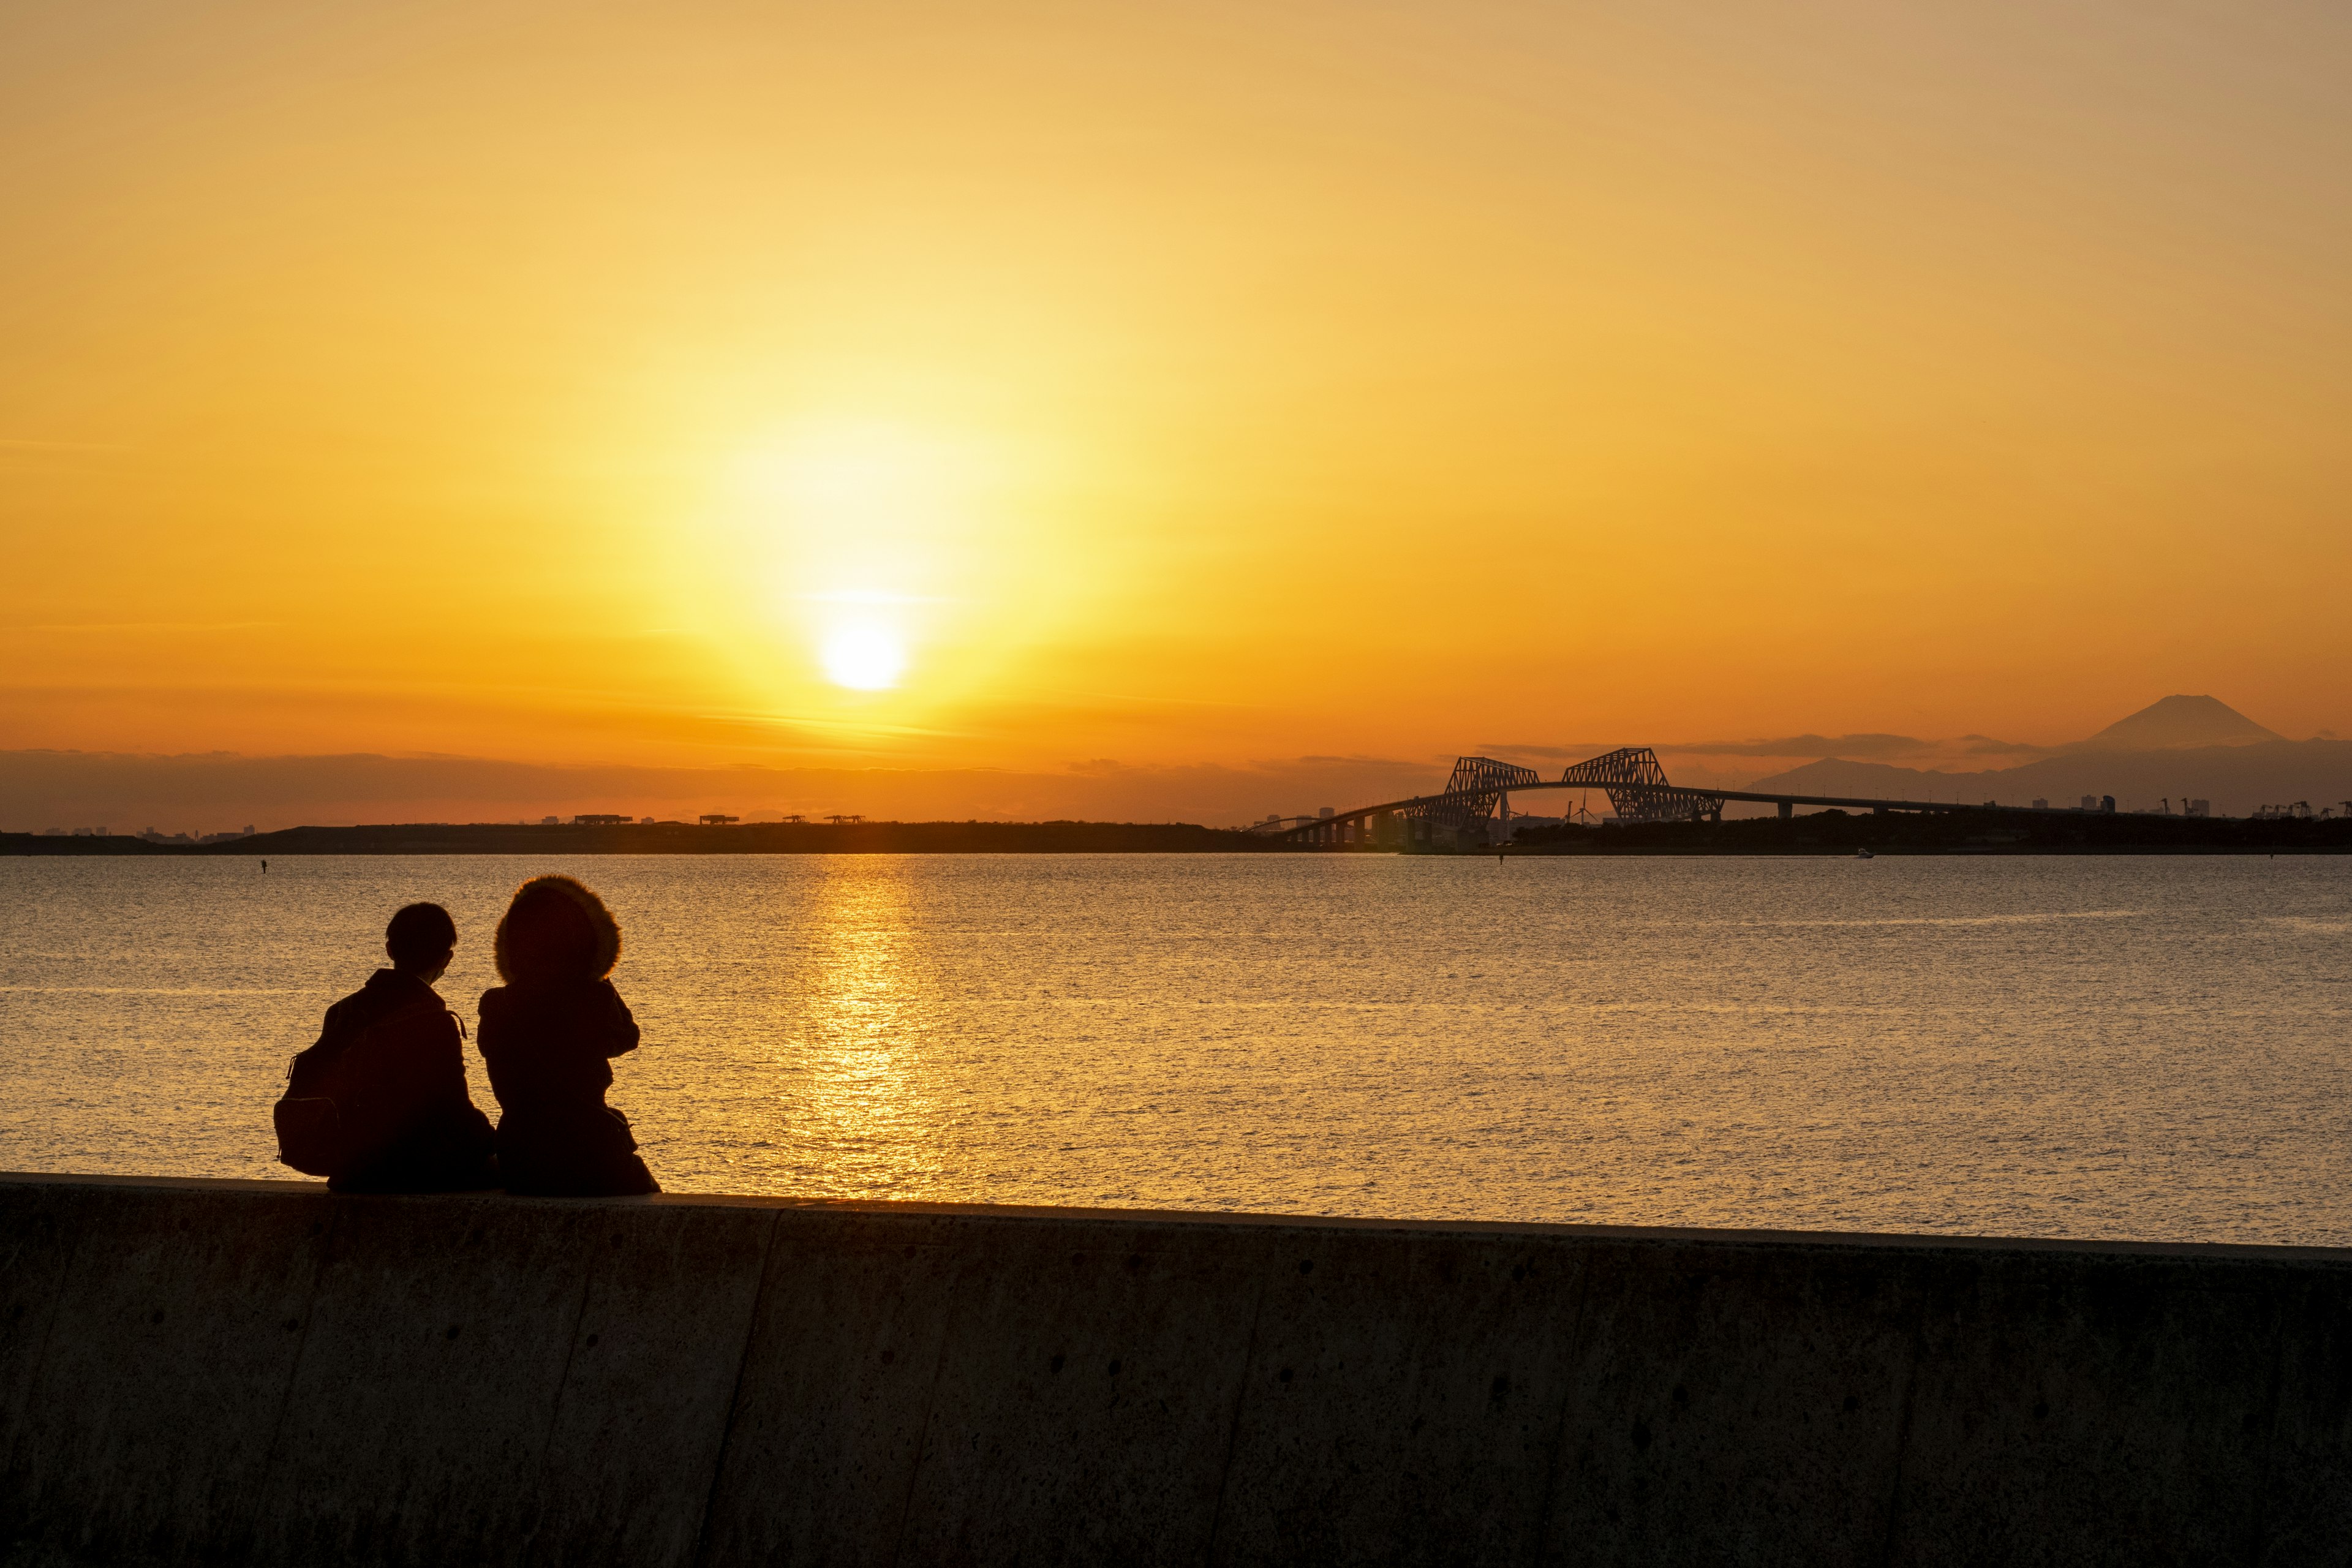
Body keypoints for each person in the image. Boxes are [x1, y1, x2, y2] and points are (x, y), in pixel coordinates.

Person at [276, 902, 499, 1193]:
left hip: (353, 1171)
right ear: (446, 960)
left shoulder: (341, 1013)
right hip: (412, 1170)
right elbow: (455, 1111)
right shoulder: (436, 1022)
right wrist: (497, 1142)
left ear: (390, 950)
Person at [478, 875, 660, 1196]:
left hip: (521, 1156)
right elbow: (628, 1036)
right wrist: (599, 976)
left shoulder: (496, 1003)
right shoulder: (592, 997)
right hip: (588, 1150)